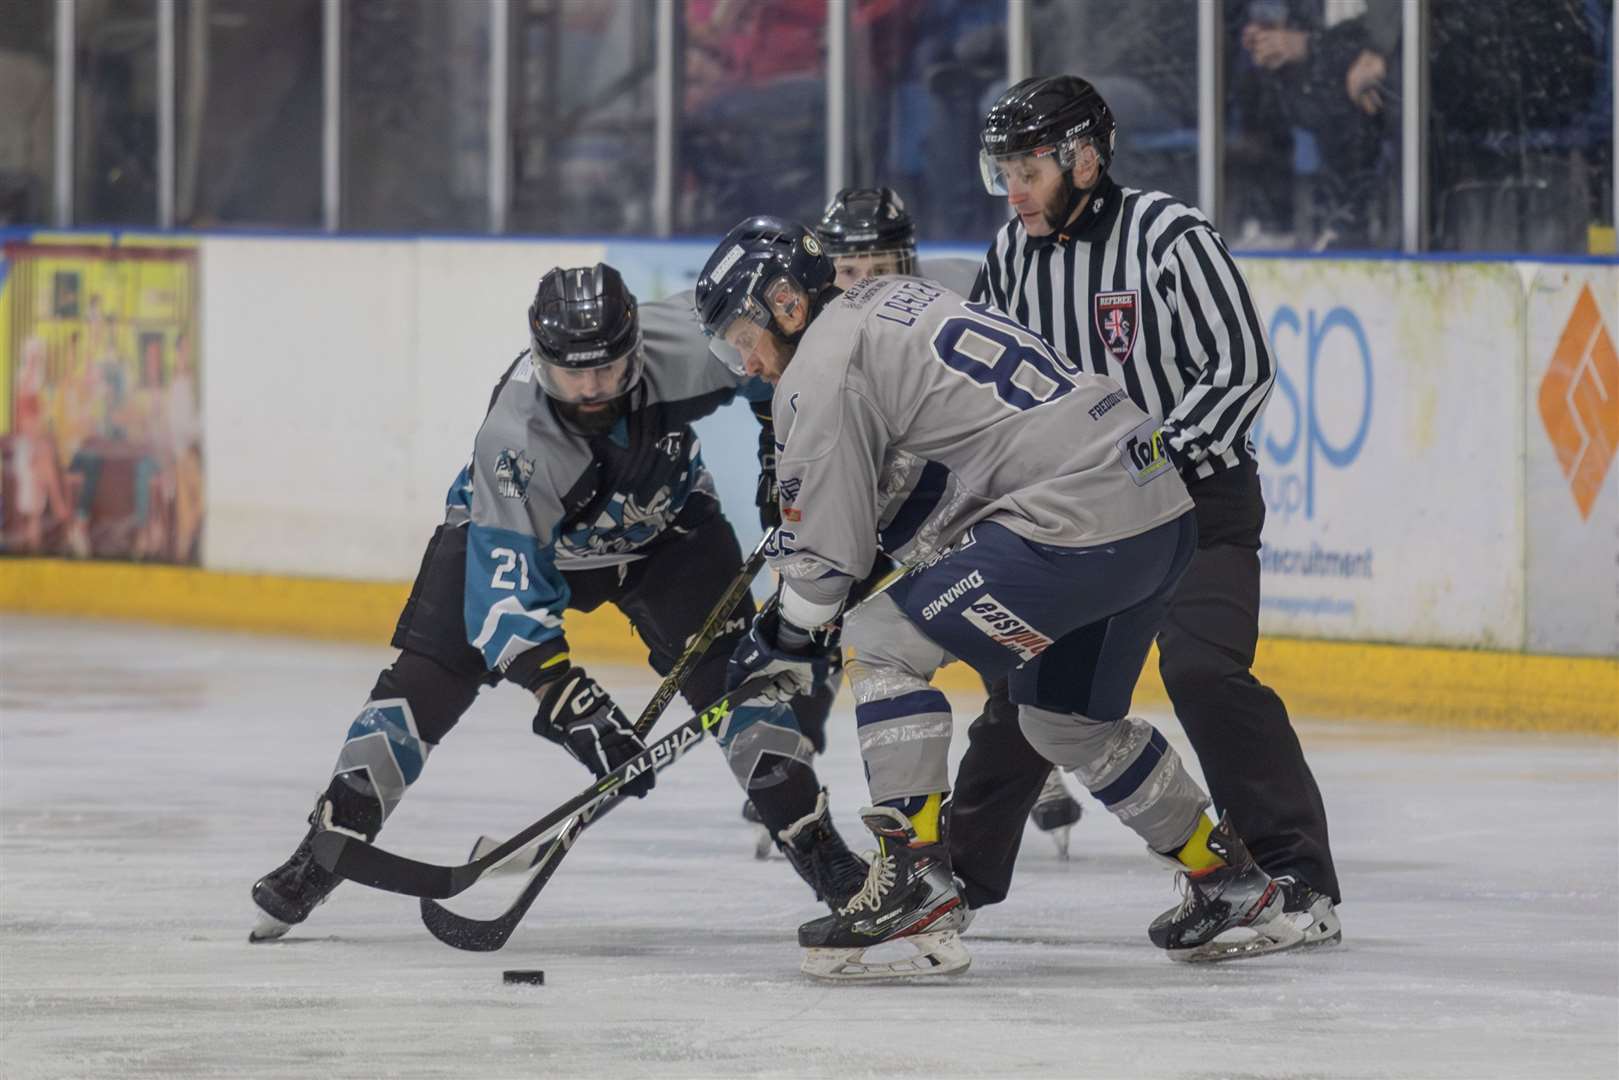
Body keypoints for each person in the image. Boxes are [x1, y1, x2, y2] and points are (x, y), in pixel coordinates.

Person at [697, 216, 1304, 980]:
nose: (744, 359)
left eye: (741, 333)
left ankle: (913, 879)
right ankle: (1229, 880)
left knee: (880, 635)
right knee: (1066, 724)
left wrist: (777, 641)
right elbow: (940, 472)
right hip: (1157, 509)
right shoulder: (894, 299)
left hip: (1076, 519)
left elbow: (824, 576)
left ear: (785, 303)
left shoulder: (817, 370)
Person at [249, 264, 866, 942]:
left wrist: (781, 445)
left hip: (665, 534)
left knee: (744, 687)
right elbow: (507, 599)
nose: (592, 387)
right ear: (540, 360)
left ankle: (822, 854)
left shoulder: (688, 342)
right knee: (420, 685)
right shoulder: (512, 440)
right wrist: (568, 701)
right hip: (521, 539)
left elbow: (778, 358)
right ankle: (324, 850)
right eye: (572, 372)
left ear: (635, 343)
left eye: (608, 367)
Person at [963, 74, 1341, 945]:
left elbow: (1240, 367)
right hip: (1082, 524)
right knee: (1032, 692)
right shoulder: (1010, 257)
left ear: (1084, 159)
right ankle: (953, 882)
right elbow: (977, 393)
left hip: (1197, 505)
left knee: (1203, 672)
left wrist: (1153, 460)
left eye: (1027, 168)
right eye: (1002, 171)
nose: (1013, 189)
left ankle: (1297, 880)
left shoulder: (1168, 235)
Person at [812, 185, 1086, 859]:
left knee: (997, 618)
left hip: (978, 488)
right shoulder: (817, 339)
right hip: (887, 499)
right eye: (851, 270)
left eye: (882, 266)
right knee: (832, 617)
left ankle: (1032, 748)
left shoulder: (960, 293)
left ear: (909, 261)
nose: (867, 283)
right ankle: (791, 762)